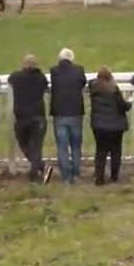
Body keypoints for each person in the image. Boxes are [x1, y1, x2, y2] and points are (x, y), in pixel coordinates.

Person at [8, 54, 51, 183]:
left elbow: (10, 79)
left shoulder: (16, 77)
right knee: (36, 147)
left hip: (22, 117)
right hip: (37, 116)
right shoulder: (41, 78)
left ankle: (36, 172)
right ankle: (39, 168)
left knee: (24, 145)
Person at [50, 48, 88, 184]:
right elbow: (83, 82)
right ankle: (76, 173)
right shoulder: (79, 70)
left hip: (59, 112)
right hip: (75, 112)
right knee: (76, 145)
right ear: (72, 58)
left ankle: (66, 176)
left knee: (62, 146)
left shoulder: (54, 71)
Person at [89, 67, 131, 185]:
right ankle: (114, 176)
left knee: (100, 152)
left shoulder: (93, 88)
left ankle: (99, 178)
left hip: (99, 126)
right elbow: (122, 106)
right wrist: (129, 103)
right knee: (115, 151)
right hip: (115, 126)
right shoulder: (114, 90)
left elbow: (91, 81)